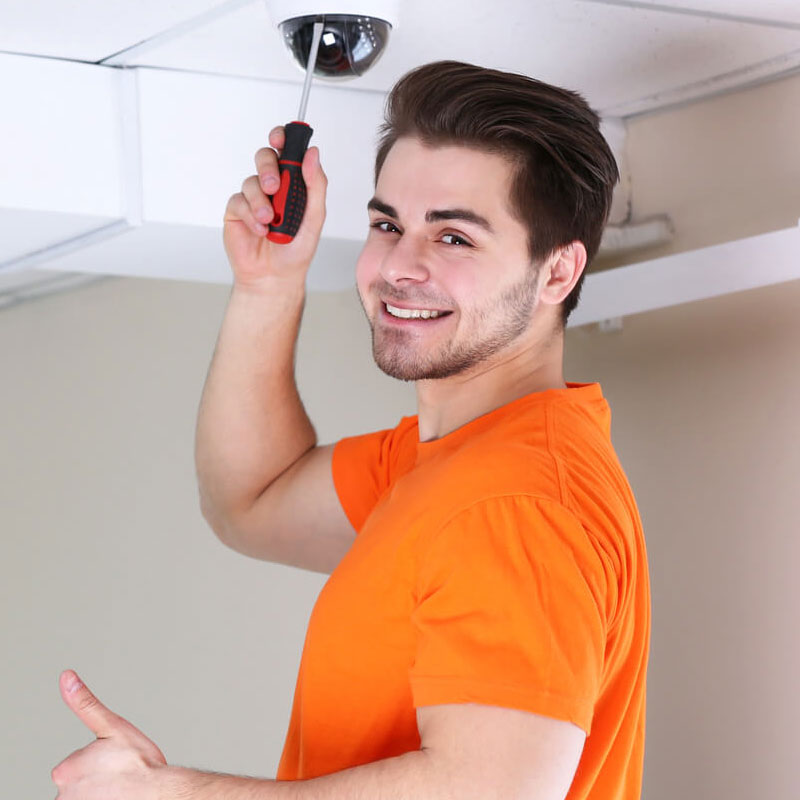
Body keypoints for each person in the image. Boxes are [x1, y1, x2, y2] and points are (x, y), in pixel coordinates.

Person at [51, 61, 650, 800]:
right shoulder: (451, 463)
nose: (400, 265)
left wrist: (171, 795)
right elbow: (250, 501)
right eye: (387, 225)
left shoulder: (512, 500)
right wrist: (270, 283)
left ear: (557, 273)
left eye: (454, 237)